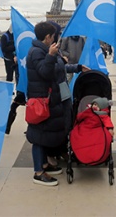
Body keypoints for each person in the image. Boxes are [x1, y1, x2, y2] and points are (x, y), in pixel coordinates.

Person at [26, 21, 88, 186]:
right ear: (48, 37)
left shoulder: (47, 50)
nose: (57, 38)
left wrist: (77, 67)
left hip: (53, 98)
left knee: (45, 133)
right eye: (55, 36)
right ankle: (38, 172)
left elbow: (60, 68)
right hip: (43, 101)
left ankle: (45, 165)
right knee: (39, 136)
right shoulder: (37, 52)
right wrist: (51, 56)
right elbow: (45, 73)